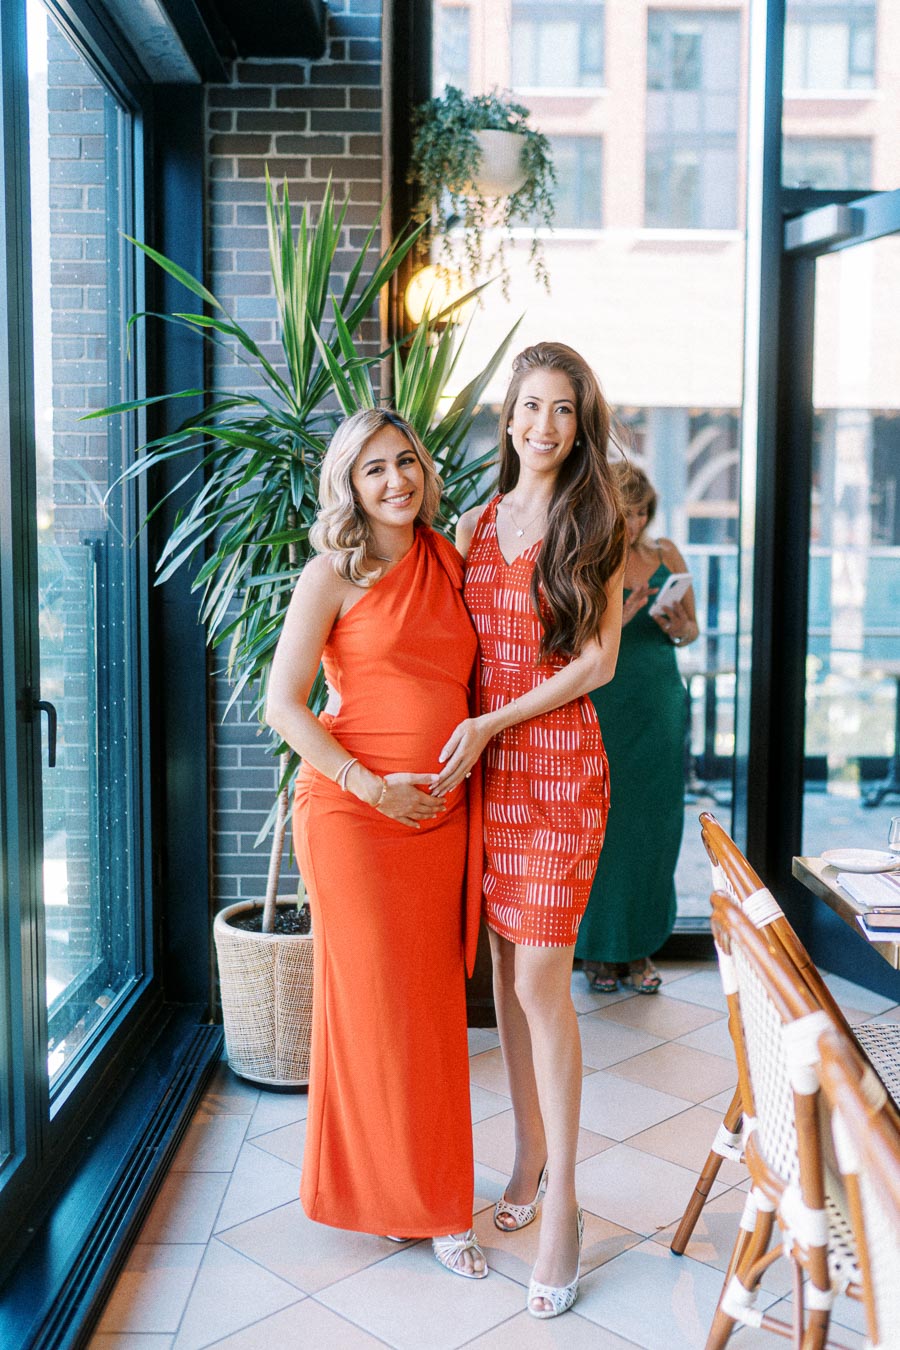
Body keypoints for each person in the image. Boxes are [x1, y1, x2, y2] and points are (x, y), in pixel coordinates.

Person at [265, 408, 486, 1279]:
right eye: (374, 469)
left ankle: (426, 1191)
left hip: (439, 820)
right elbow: (285, 704)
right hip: (354, 819)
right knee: (375, 1015)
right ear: (350, 486)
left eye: (406, 462)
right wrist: (369, 786)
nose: (396, 481)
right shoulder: (330, 574)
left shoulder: (452, 559)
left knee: (429, 1014)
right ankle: (413, 1201)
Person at [433, 342, 627, 1318]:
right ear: (507, 417)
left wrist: (493, 723)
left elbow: (596, 663)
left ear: (580, 427)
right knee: (508, 976)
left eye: (563, 410)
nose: (544, 425)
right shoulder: (472, 524)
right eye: (531, 406)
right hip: (486, 778)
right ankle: (525, 1155)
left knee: (542, 979)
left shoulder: (598, 521)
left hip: (556, 772)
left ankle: (566, 1206)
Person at [576, 462, 699, 995]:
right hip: (604, 703)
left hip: (659, 703)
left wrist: (680, 625)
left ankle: (641, 947)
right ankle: (598, 949)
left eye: (643, 512)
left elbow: (691, 632)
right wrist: (618, 621)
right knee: (602, 827)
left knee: (654, 826)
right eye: (627, 512)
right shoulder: (585, 556)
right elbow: (568, 644)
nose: (636, 522)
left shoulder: (666, 552)